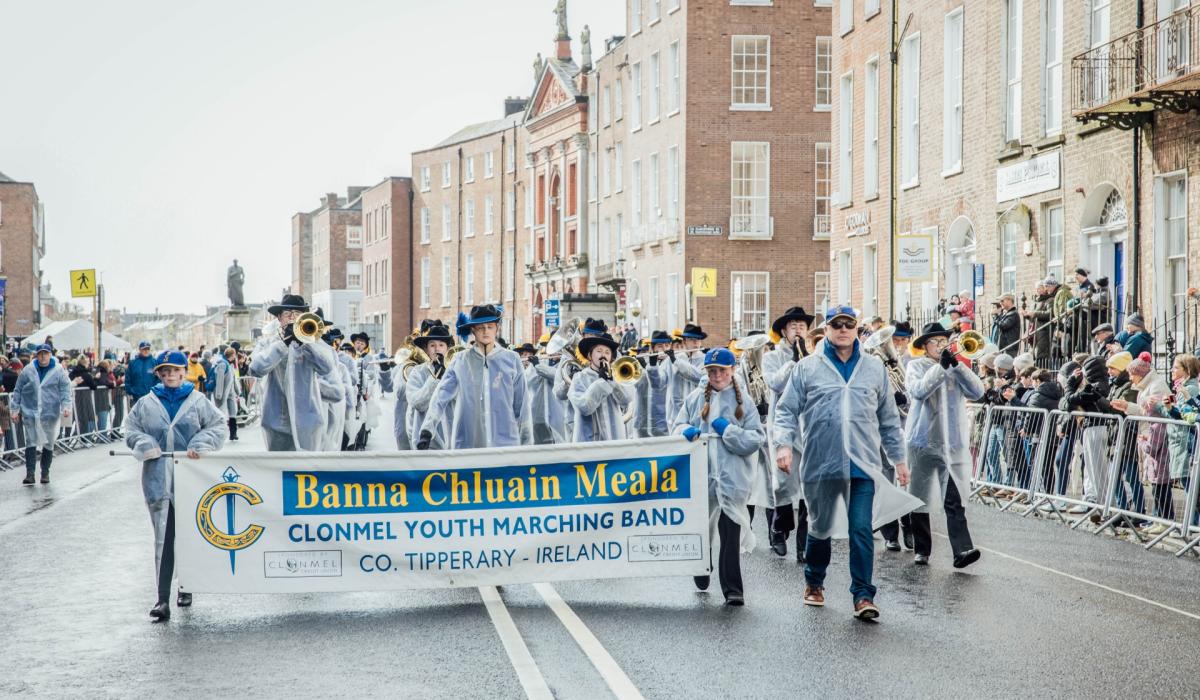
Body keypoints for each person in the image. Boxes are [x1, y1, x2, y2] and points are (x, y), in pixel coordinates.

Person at [774, 306, 919, 620]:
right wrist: (783, 445)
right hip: (821, 462)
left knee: (861, 528)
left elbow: (888, 419)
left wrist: (899, 459)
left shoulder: (873, 368)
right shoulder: (808, 368)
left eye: (848, 324)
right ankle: (814, 581)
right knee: (820, 526)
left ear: (856, 329)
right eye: (836, 324)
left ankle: (863, 595)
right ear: (826, 329)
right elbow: (786, 411)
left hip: (863, 463)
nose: (842, 329)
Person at [123, 350, 228, 622]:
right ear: (159, 374)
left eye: (175, 370)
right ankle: (162, 599)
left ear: (184, 372)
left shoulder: (198, 401)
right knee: (164, 536)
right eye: (165, 371)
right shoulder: (146, 403)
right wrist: (145, 444)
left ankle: (186, 586)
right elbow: (131, 429)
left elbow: (219, 426)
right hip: (158, 476)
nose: (170, 375)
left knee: (187, 534)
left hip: (190, 477)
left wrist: (200, 443)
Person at [674, 348, 765, 606]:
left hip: (732, 479)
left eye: (722, 371)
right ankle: (702, 567)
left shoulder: (743, 402)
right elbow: (677, 425)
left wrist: (729, 432)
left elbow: (756, 438)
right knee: (702, 528)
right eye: (712, 371)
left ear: (732, 370)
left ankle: (733, 589)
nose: (717, 376)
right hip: (702, 478)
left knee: (730, 532)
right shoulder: (695, 399)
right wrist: (685, 431)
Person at [904, 323, 985, 568]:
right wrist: (941, 368)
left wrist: (957, 367)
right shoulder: (915, 366)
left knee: (954, 497)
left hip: (952, 443)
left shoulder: (955, 366)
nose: (941, 346)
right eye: (936, 342)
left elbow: (977, 391)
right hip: (922, 440)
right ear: (925, 346)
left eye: (943, 341)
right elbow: (919, 391)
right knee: (919, 496)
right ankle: (922, 549)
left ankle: (962, 550)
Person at [416, 305, 532, 450]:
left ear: (497, 328)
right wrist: (427, 430)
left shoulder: (512, 359)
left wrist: (527, 443)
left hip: (506, 444)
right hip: (468, 444)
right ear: (473, 330)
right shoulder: (460, 360)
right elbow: (441, 395)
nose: (485, 331)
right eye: (480, 327)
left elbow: (522, 404)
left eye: (490, 327)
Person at [248, 294, 336, 451]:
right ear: (279, 318)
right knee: (279, 465)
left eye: (297, 314)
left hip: (308, 422)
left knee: (307, 465)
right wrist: (284, 343)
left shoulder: (313, 342)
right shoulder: (268, 343)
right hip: (276, 422)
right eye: (287, 314)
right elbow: (256, 369)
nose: (292, 318)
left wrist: (307, 345)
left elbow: (327, 367)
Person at [763, 306, 815, 560]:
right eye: (793, 326)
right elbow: (775, 384)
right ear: (784, 331)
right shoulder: (772, 357)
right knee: (783, 484)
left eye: (802, 326)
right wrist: (793, 362)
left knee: (808, 486)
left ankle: (803, 545)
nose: (798, 330)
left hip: (807, 427)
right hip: (782, 427)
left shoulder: (813, 355)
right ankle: (778, 527)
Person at [11, 345, 72, 485]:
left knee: (49, 442)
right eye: (40, 354)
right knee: (31, 441)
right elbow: (18, 389)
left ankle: (45, 473)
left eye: (46, 353)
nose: (43, 356)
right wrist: (15, 409)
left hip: (50, 411)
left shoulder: (58, 370)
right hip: (30, 410)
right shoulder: (28, 370)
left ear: (50, 355)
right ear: (36, 355)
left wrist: (66, 406)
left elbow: (65, 389)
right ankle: (30, 474)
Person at [568, 328, 633, 442]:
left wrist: (613, 382)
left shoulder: (615, 377)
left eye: (607, 352)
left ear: (611, 358)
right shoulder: (579, 378)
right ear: (590, 356)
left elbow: (626, 401)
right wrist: (602, 383)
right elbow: (584, 407)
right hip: (588, 441)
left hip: (614, 438)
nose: (603, 355)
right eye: (599, 351)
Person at [405, 322, 455, 450]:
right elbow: (417, 403)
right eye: (432, 345)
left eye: (441, 345)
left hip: (452, 440)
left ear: (448, 349)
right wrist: (435, 378)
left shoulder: (456, 371)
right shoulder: (417, 372)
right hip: (426, 443)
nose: (437, 349)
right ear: (426, 350)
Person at [527, 332, 568, 444]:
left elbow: (558, 376)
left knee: (560, 443)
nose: (557, 350)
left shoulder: (567, 363)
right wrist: (534, 366)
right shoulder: (542, 360)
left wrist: (538, 366)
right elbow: (529, 380)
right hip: (539, 412)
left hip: (558, 411)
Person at [631, 330, 673, 438]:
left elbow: (658, 384)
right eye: (660, 346)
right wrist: (642, 367)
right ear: (653, 348)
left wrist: (649, 367)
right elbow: (636, 386)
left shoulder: (670, 363)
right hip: (642, 421)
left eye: (667, 345)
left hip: (662, 422)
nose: (664, 349)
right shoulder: (646, 361)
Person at [669, 324, 708, 422]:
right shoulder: (676, 357)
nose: (695, 342)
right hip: (677, 412)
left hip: (698, 412)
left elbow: (699, 376)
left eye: (698, 339)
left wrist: (676, 361)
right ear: (684, 341)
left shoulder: (705, 359)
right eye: (691, 339)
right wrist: (653, 365)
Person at [350, 332, 381, 449]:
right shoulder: (350, 355)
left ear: (366, 345)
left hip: (364, 392)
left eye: (362, 343)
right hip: (352, 391)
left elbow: (371, 375)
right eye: (357, 342)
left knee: (363, 416)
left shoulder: (369, 358)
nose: (359, 345)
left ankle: (361, 442)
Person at [211, 347, 240, 442]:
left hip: (230, 392)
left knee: (232, 412)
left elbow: (233, 379)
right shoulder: (222, 364)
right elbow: (219, 379)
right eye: (234, 354)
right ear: (232, 355)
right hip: (223, 392)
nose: (235, 356)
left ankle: (233, 433)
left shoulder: (230, 364)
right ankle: (218, 433)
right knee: (220, 412)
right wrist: (219, 394)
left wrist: (237, 391)